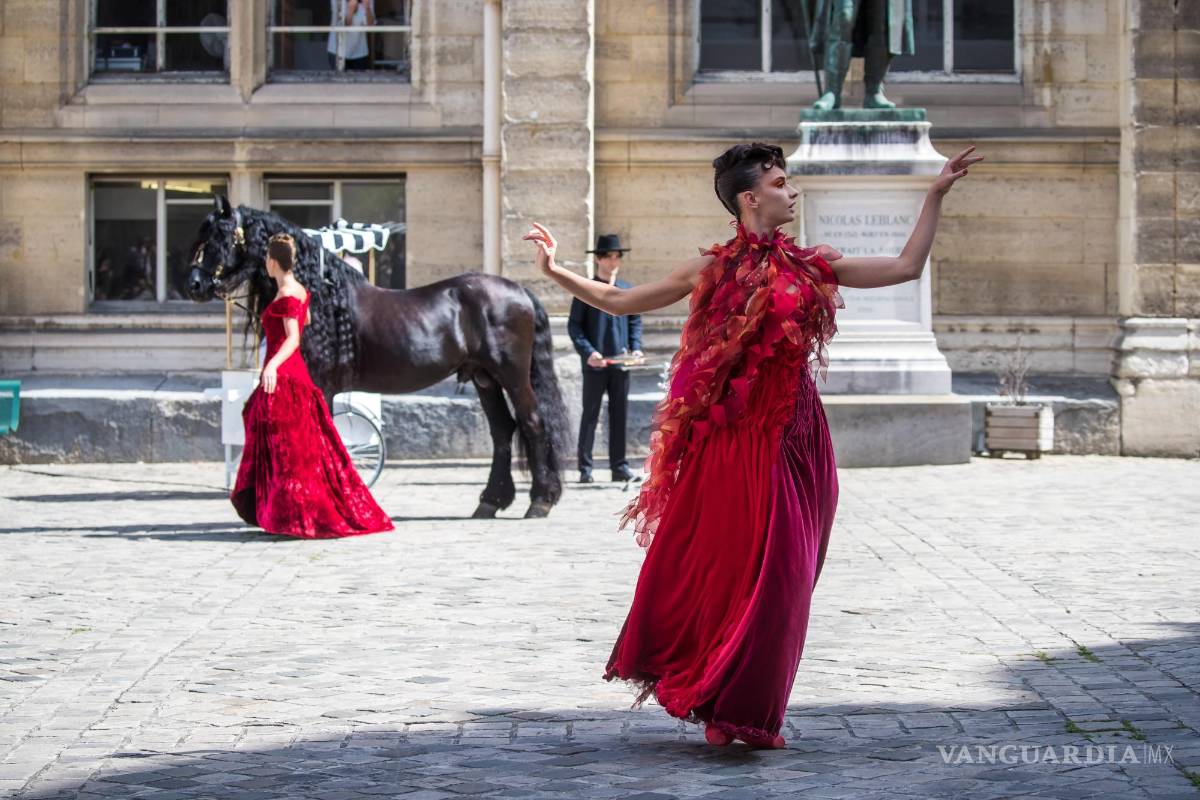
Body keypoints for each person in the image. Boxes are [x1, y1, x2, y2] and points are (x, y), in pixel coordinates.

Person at [525, 142, 981, 748]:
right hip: (737, 439)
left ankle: (732, 702)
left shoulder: (812, 264)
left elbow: (903, 268)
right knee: (755, 573)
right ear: (751, 198)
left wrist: (934, 195)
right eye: (781, 182)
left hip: (799, 434)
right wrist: (555, 270)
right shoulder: (707, 269)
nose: (791, 191)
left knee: (792, 573)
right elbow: (620, 300)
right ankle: (733, 709)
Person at [231, 233, 394, 539]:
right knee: (286, 443)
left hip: (285, 376)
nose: (265, 263)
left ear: (274, 261)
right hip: (290, 372)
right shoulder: (296, 290)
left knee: (288, 447)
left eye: (267, 258)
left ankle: (292, 513)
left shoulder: (289, 293)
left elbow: (294, 337)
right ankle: (278, 509)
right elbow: (303, 322)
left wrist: (273, 366)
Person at [569, 233, 644, 484]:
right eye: (609, 257)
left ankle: (619, 467)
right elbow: (575, 327)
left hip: (621, 364)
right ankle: (585, 468)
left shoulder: (626, 289)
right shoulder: (585, 289)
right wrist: (589, 352)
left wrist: (635, 348)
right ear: (598, 260)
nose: (614, 261)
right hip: (595, 364)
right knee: (590, 414)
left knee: (619, 414)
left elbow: (634, 320)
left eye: (617, 257)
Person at [328, 0, 375, 71]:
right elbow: (342, 26)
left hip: (359, 52)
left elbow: (370, 26)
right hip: (337, 51)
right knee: (339, 80)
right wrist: (350, 11)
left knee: (359, 80)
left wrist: (367, 8)